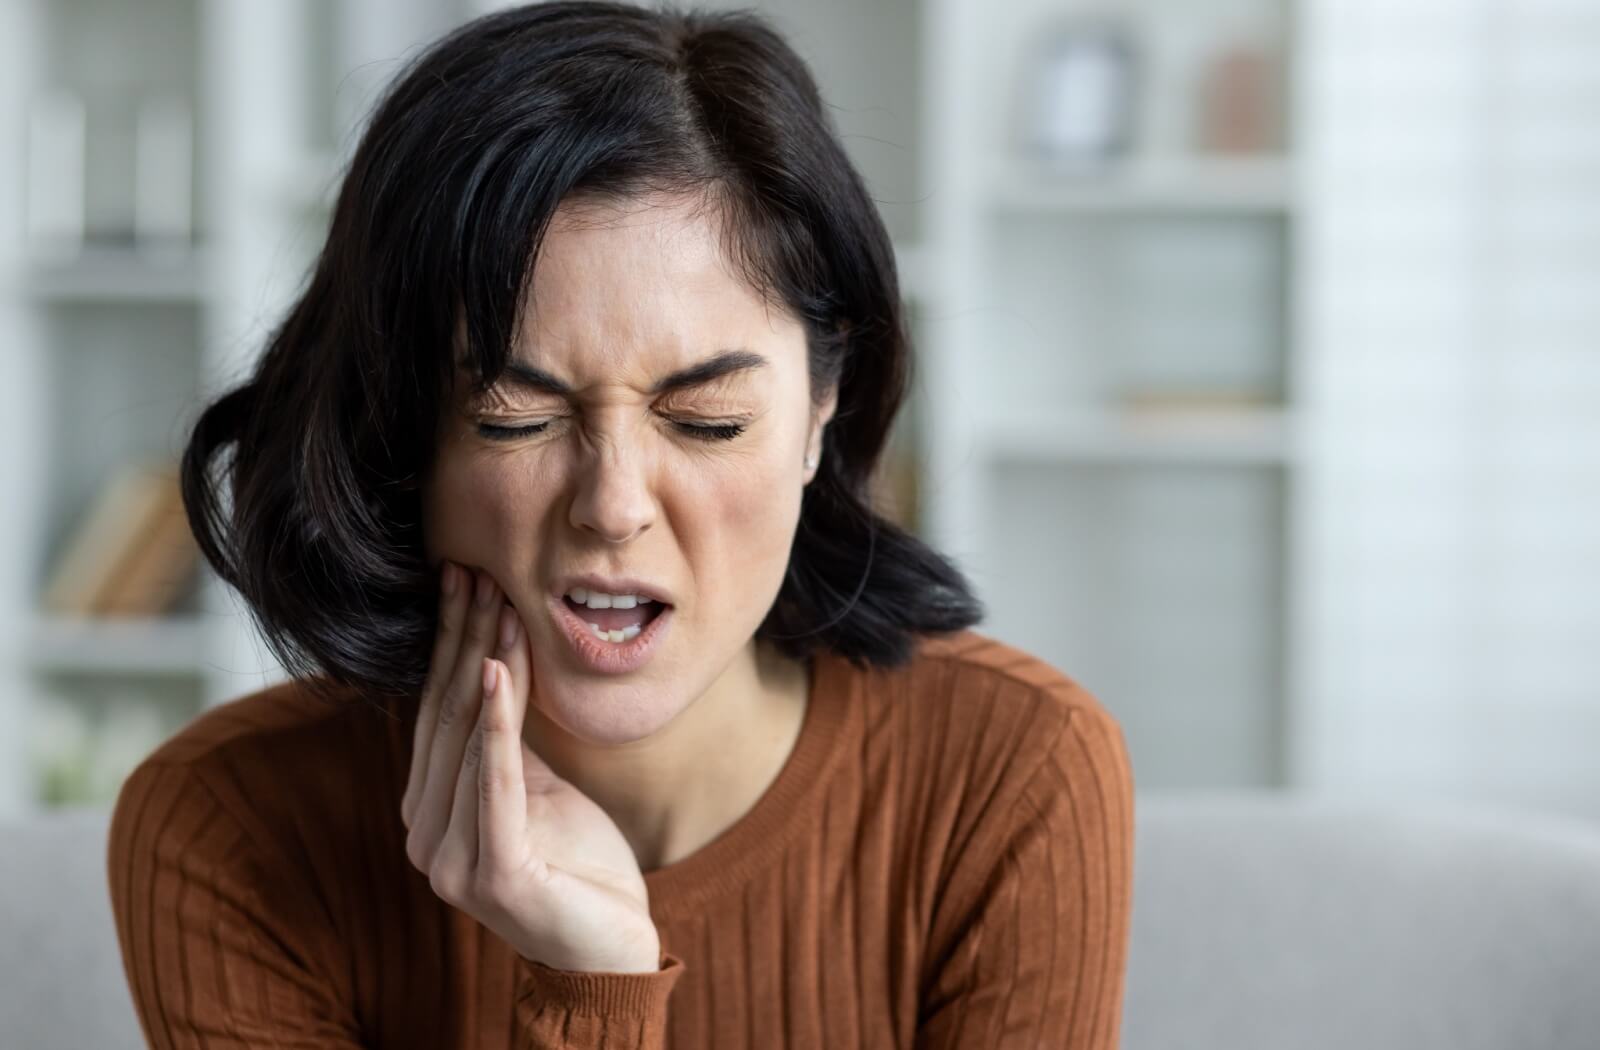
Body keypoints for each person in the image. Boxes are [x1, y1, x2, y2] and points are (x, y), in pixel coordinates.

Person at [106, 2, 1135, 1046]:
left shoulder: (1010, 778)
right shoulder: (226, 830)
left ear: (822, 416)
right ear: (403, 435)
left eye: (706, 420)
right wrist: (589, 984)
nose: (612, 505)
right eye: (518, 419)